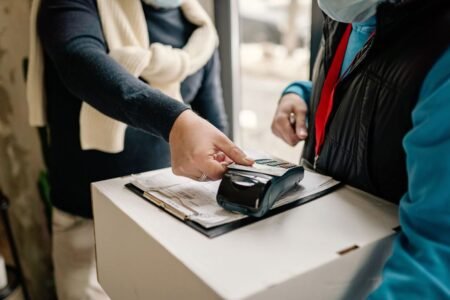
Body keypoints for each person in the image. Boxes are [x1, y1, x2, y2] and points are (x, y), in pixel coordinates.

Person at [27, 0, 252, 299]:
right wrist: (175, 120)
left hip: (171, 215)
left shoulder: (200, 31)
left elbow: (214, 122)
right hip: (86, 218)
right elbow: (78, 58)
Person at [271, 0, 450, 298]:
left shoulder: (440, 50)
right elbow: (358, 78)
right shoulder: (351, 13)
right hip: (328, 247)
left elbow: (436, 258)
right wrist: (301, 92)